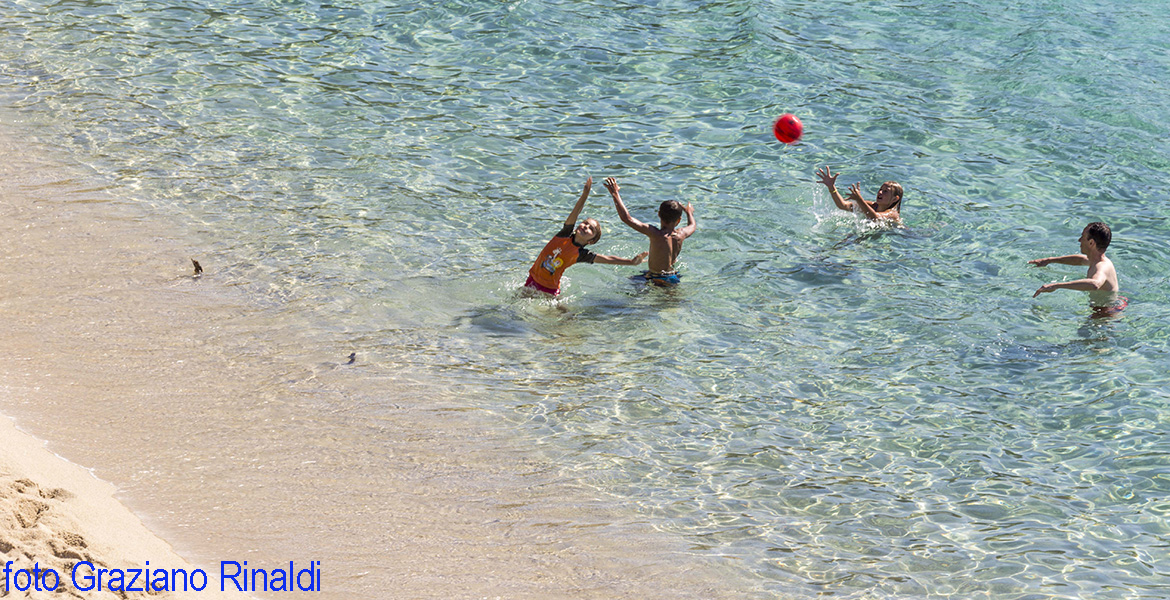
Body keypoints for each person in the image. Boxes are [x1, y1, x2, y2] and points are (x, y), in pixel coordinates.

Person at [524, 177, 648, 296]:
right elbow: (576, 212)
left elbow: (608, 259)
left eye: (591, 229)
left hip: (550, 290)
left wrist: (632, 262)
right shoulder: (564, 234)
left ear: (592, 241)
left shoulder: (581, 254)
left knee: (563, 315)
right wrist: (585, 195)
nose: (585, 226)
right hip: (532, 280)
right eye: (585, 223)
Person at [602, 177, 696, 286]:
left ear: (659, 214)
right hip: (672, 276)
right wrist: (689, 212)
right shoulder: (681, 234)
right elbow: (692, 225)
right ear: (679, 220)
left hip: (656, 278)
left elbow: (626, 218)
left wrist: (615, 193)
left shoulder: (655, 234)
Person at [1030, 222, 1123, 315]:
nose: (1079, 240)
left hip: (1105, 314)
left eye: (1082, 237)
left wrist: (1056, 285)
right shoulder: (1096, 260)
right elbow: (1080, 260)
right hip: (1103, 308)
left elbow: (1095, 284)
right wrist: (1048, 260)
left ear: (1091, 243)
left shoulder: (1102, 266)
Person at [816, 166, 903, 223]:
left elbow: (875, 218)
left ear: (895, 199)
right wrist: (831, 187)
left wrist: (859, 199)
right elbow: (842, 205)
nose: (880, 192)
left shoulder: (893, 214)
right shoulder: (872, 206)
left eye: (885, 191)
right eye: (880, 189)